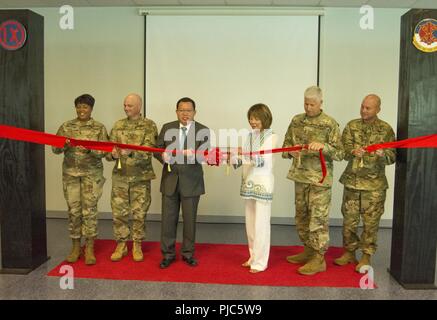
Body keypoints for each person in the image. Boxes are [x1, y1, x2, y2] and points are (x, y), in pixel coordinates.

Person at [282, 86, 344, 275]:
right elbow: (285, 146)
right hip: (300, 177)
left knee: (318, 219)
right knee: (302, 217)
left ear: (320, 103)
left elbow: (341, 153)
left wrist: (324, 147)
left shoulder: (329, 124)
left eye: (312, 104)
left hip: (320, 180)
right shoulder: (297, 120)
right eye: (305, 104)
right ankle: (308, 250)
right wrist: (289, 151)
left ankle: (319, 258)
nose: (308, 108)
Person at [334, 94, 396, 272]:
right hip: (352, 183)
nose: (363, 110)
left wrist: (383, 154)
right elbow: (342, 152)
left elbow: (393, 156)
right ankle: (349, 252)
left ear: (378, 109)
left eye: (368, 108)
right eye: (362, 106)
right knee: (349, 221)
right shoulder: (352, 126)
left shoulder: (386, 130)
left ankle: (366, 256)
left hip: (374, 186)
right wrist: (353, 151)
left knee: (370, 223)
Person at [154, 97, 210, 269]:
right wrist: (162, 156)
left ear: (194, 112)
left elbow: (205, 155)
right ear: (176, 111)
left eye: (188, 110)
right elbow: (157, 149)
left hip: (191, 182)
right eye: (181, 110)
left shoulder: (203, 130)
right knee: (168, 220)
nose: (185, 113)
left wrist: (192, 154)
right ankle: (168, 254)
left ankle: (188, 253)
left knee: (190, 220)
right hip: (170, 181)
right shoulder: (167, 127)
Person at [52, 94, 108, 265]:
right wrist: (64, 144)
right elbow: (55, 149)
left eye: (85, 107)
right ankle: (75, 246)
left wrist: (91, 149)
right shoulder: (66, 126)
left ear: (91, 109)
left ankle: (89, 247)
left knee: (89, 211)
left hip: (92, 176)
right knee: (74, 210)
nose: (82, 110)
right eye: (79, 106)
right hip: (71, 175)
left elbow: (105, 152)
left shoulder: (99, 128)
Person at [107, 93, 158, 262]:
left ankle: (137, 244)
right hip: (120, 177)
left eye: (129, 105)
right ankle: (121, 244)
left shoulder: (149, 125)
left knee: (139, 213)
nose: (126, 108)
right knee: (119, 213)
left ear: (139, 106)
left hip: (140, 178)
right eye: (125, 105)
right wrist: (112, 155)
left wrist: (132, 151)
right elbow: (108, 151)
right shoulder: (118, 125)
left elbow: (149, 150)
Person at [233, 103, 277, 273]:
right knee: (250, 223)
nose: (252, 121)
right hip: (248, 182)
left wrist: (242, 155)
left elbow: (262, 161)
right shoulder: (250, 136)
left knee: (261, 225)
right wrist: (229, 158)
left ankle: (260, 262)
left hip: (263, 183)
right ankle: (252, 256)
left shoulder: (272, 136)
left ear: (265, 118)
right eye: (251, 118)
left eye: (256, 118)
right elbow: (243, 159)